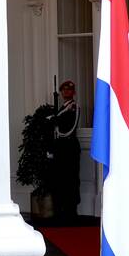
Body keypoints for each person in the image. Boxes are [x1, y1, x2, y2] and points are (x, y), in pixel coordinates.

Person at [51, 80, 80, 219]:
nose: (65, 92)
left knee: (71, 178)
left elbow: (70, 127)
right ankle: (62, 209)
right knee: (62, 178)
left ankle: (71, 210)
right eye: (63, 90)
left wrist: (55, 120)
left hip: (69, 147)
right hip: (62, 148)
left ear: (73, 92)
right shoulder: (63, 107)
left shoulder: (73, 107)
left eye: (68, 90)